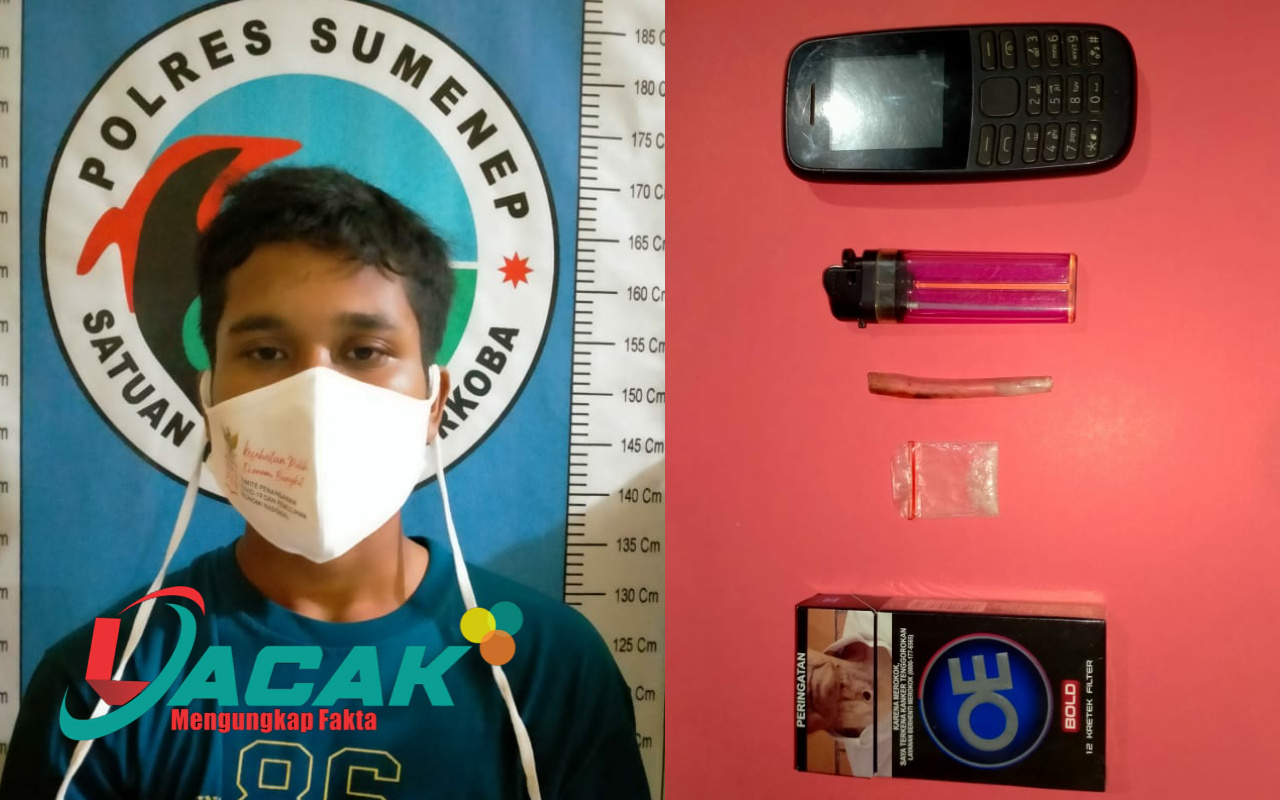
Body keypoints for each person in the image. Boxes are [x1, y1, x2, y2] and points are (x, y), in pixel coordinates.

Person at [0, 166, 651, 800]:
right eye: (266, 352)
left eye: (365, 352)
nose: (314, 395)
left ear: (434, 403)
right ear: (210, 397)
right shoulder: (103, 683)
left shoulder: (548, 666)